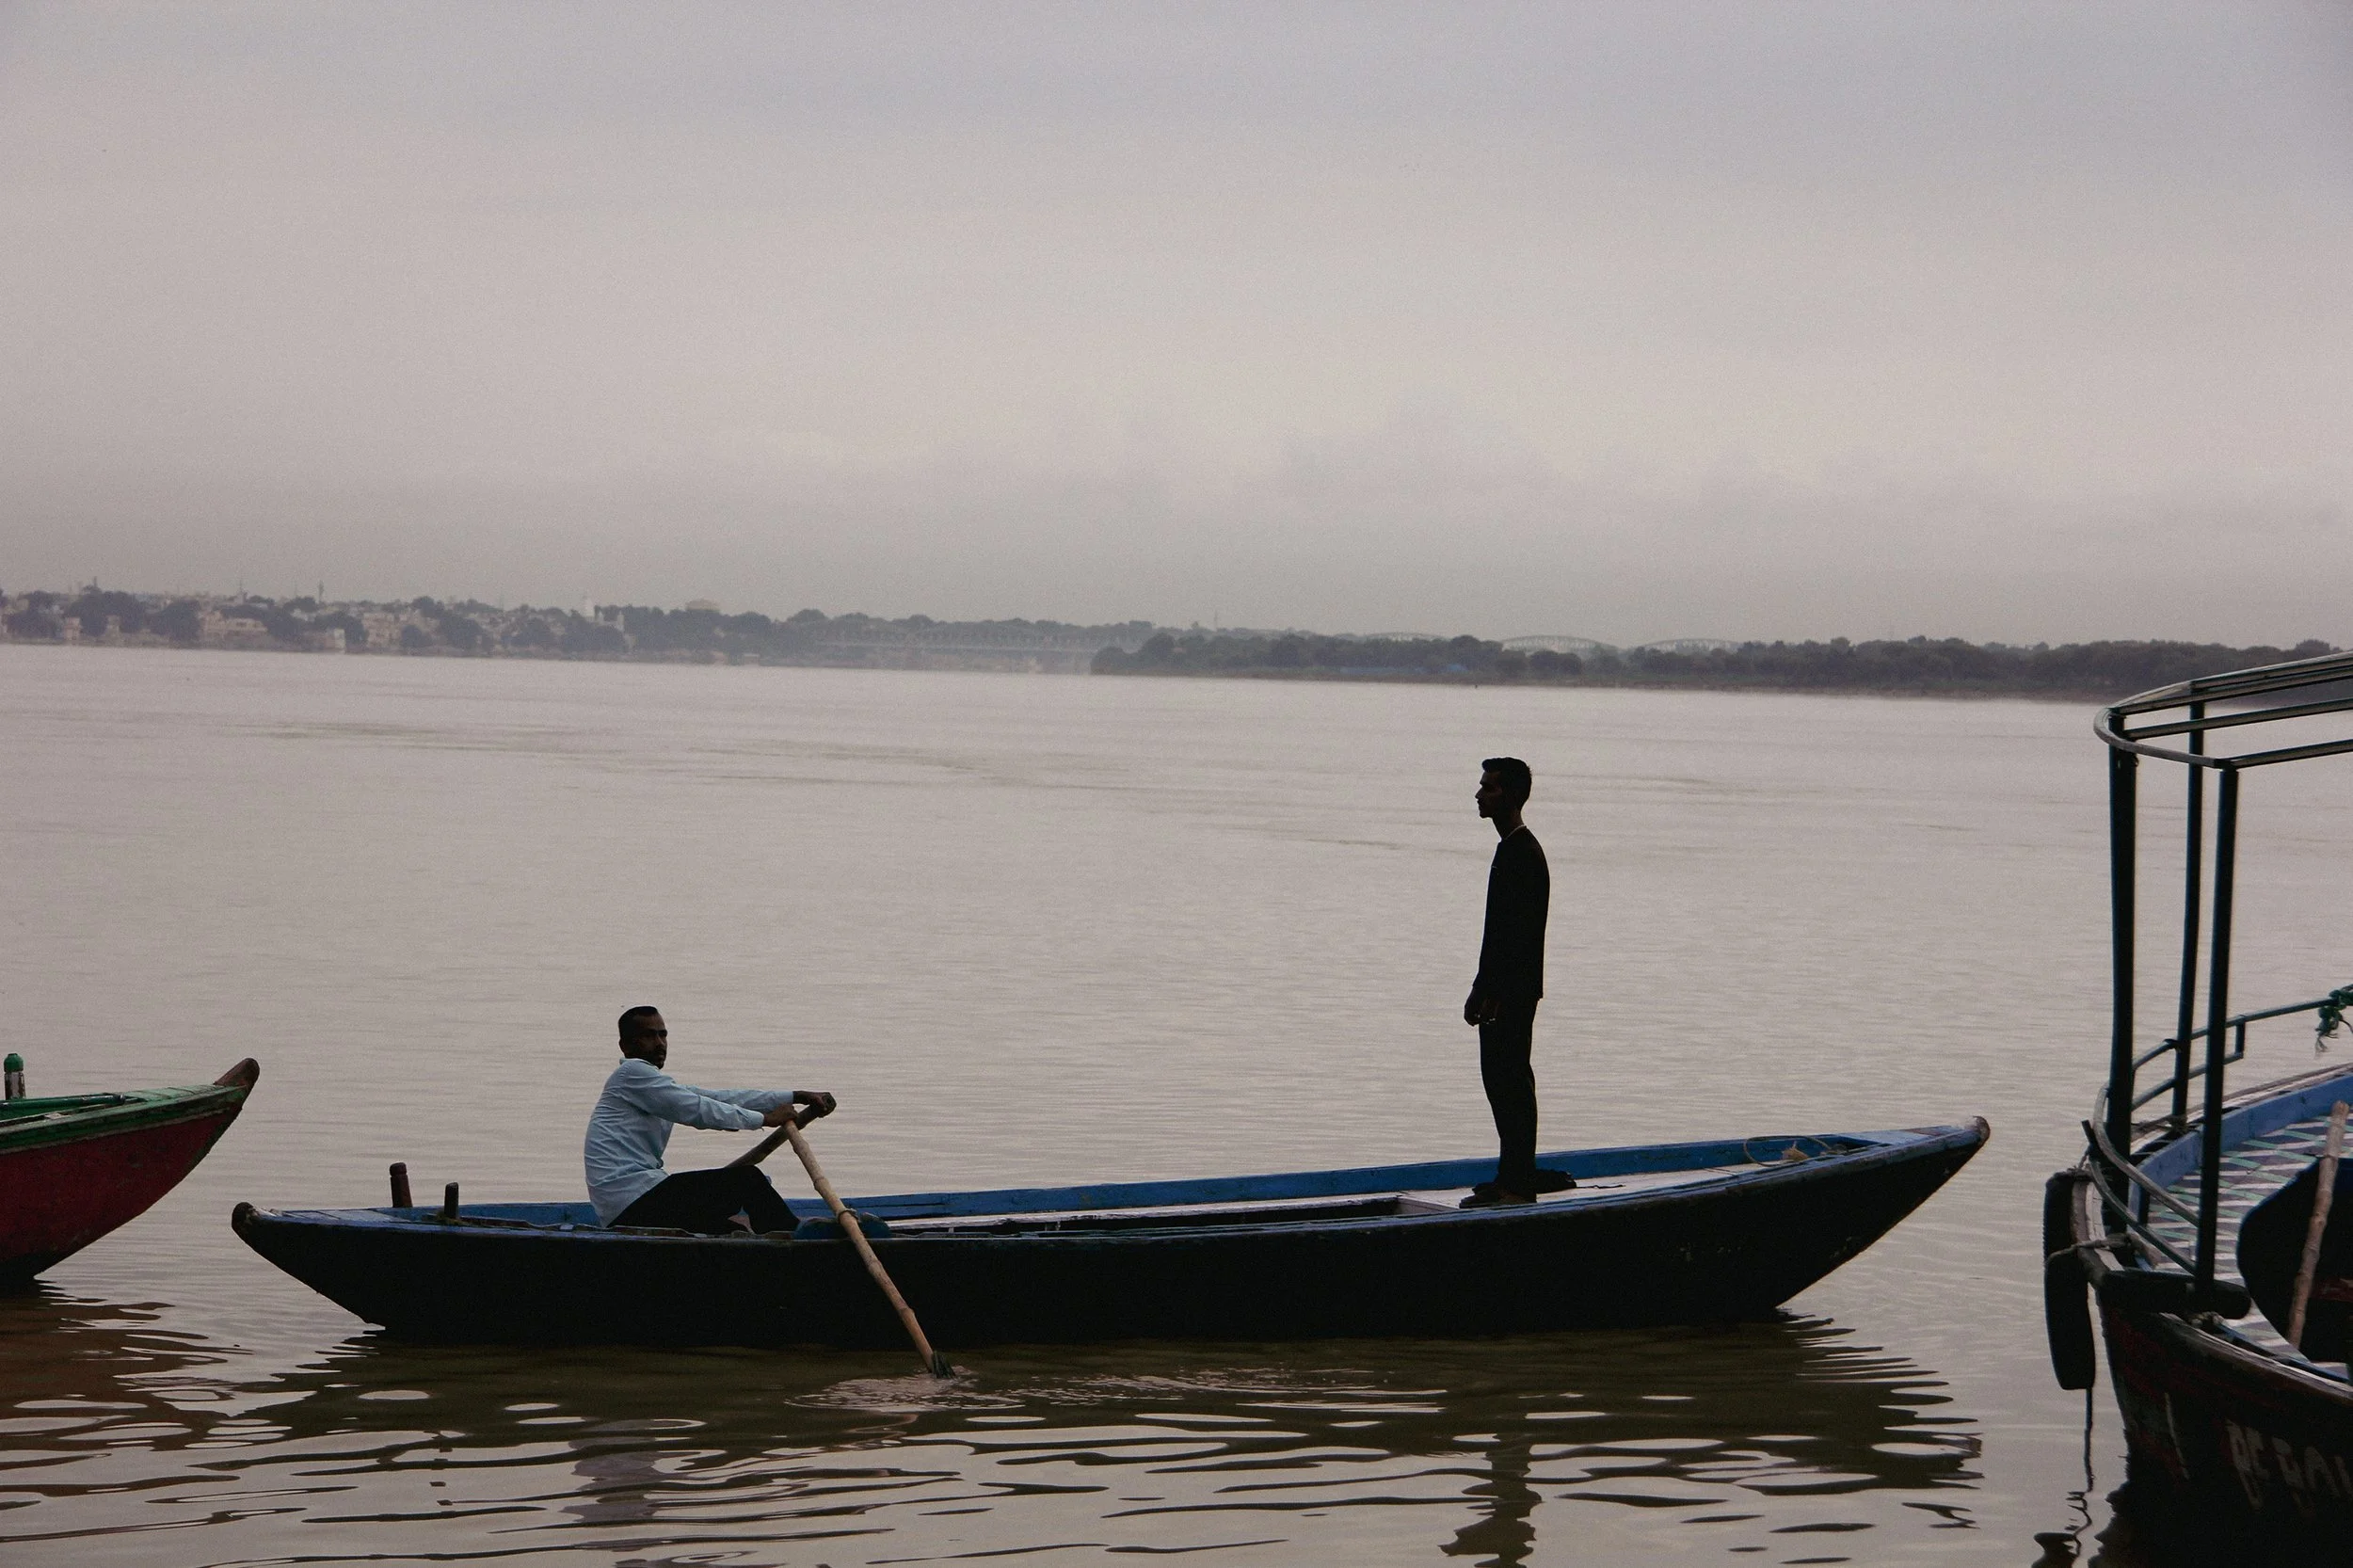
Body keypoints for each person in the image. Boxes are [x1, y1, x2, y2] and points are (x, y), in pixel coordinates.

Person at [584, 1005, 837, 1234]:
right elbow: (699, 1110)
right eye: (649, 1036)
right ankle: (796, 1239)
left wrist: (796, 1095)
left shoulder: (653, 1084)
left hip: (642, 1198)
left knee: (725, 1230)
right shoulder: (632, 1074)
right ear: (626, 1046)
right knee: (747, 1180)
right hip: (631, 1202)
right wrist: (765, 1119)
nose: (660, 1043)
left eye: (663, 1035)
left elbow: (721, 1098)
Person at [1461, 756, 1570, 1208]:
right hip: (1507, 988)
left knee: (1510, 1081)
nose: (1479, 794)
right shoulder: (1512, 849)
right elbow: (1499, 933)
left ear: (1509, 796)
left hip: (1512, 991)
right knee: (1501, 1080)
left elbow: (1515, 935)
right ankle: (1512, 1171)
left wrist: (1490, 992)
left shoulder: (1522, 852)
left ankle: (1517, 1181)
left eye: (1488, 788)